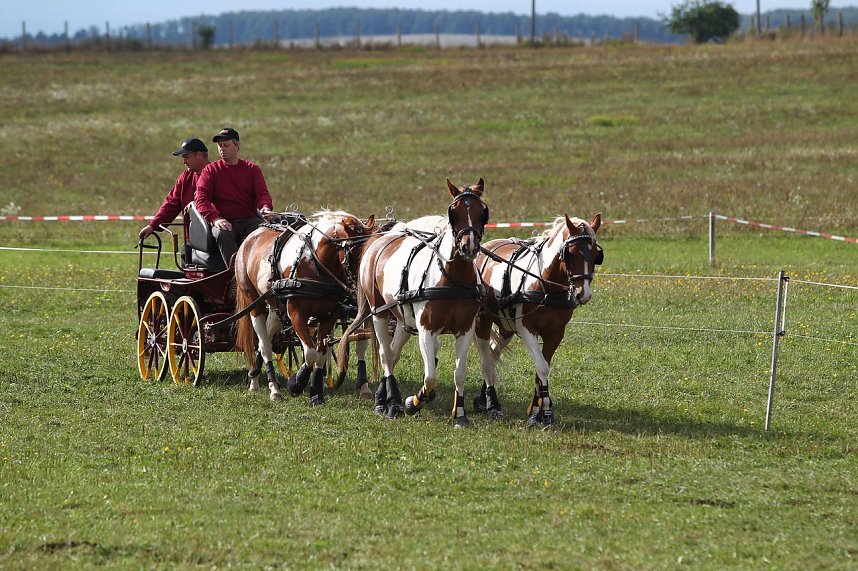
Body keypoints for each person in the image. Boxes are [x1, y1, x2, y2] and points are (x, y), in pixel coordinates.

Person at [195, 127, 274, 267]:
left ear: (237, 146)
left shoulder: (252, 169)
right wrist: (215, 218)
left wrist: (265, 207)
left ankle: (263, 269)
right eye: (220, 146)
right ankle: (234, 276)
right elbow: (201, 200)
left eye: (226, 145)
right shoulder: (210, 170)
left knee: (265, 231)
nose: (222, 149)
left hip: (249, 220)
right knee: (223, 233)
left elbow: (262, 194)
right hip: (224, 221)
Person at [138, 137, 210, 239]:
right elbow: (171, 204)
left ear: (199, 155)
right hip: (193, 239)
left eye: (187, 156)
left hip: (215, 236)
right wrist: (152, 225)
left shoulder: (217, 174)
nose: (184, 161)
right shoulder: (185, 178)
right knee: (185, 253)